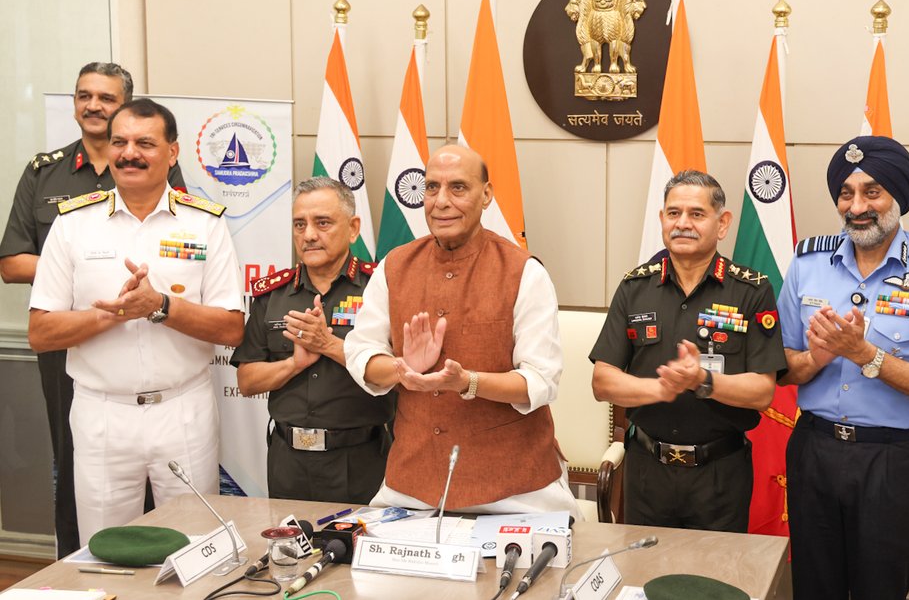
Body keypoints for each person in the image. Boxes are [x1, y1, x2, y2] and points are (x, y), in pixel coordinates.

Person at [27, 98, 243, 544]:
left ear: (172, 152)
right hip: (102, 414)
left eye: (145, 143)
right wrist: (111, 315)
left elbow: (230, 328)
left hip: (184, 411)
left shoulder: (206, 225)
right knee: (105, 551)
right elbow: (40, 333)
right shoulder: (72, 225)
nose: (130, 153)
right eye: (120, 142)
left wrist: (160, 306)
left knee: (196, 547)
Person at [778, 136, 909, 599]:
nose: (858, 206)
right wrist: (818, 358)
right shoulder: (808, 262)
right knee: (813, 589)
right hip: (814, 451)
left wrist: (866, 355)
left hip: (892, 462)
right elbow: (781, 370)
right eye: (847, 193)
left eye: (872, 192)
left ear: (897, 198)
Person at [0, 63, 185, 556]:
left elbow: (178, 245)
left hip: (150, 340)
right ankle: (74, 568)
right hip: (67, 340)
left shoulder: (152, 164)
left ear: (125, 106)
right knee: (76, 461)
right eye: (84, 96)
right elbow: (12, 262)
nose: (93, 106)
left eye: (105, 97)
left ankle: (153, 564)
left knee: (153, 469)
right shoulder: (45, 171)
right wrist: (79, 268)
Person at [344, 145, 577, 517]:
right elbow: (360, 355)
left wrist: (467, 382)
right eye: (432, 188)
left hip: (517, 492)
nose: (441, 202)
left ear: (486, 195)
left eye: (458, 188)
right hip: (411, 488)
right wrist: (405, 367)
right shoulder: (394, 267)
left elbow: (541, 381)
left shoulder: (525, 272)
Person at [589, 170, 785, 532]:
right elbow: (603, 382)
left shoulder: (751, 292)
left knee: (714, 585)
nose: (682, 223)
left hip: (721, 475)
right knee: (643, 580)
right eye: (673, 213)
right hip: (647, 471)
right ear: (662, 219)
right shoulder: (635, 287)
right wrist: (660, 390)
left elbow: (762, 392)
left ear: (722, 223)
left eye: (696, 214)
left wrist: (702, 380)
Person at [232, 177, 393, 504]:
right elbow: (247, 381)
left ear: (352, 228)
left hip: (362, 458)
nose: (308, 235)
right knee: (291, 551)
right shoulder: (273, 295)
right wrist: (294, 364)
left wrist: (328, 345)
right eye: (299, 224)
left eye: (322, 223)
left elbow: (398, 373)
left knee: (356, 552)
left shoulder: (380, 291)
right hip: (288, 460)